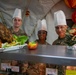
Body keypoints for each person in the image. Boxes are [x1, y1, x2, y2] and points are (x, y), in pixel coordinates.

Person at [52, 10, 68, 75]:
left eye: (61, 27)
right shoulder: (54, 43)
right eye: (57, 28)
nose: (59, 30)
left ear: (66, 27)